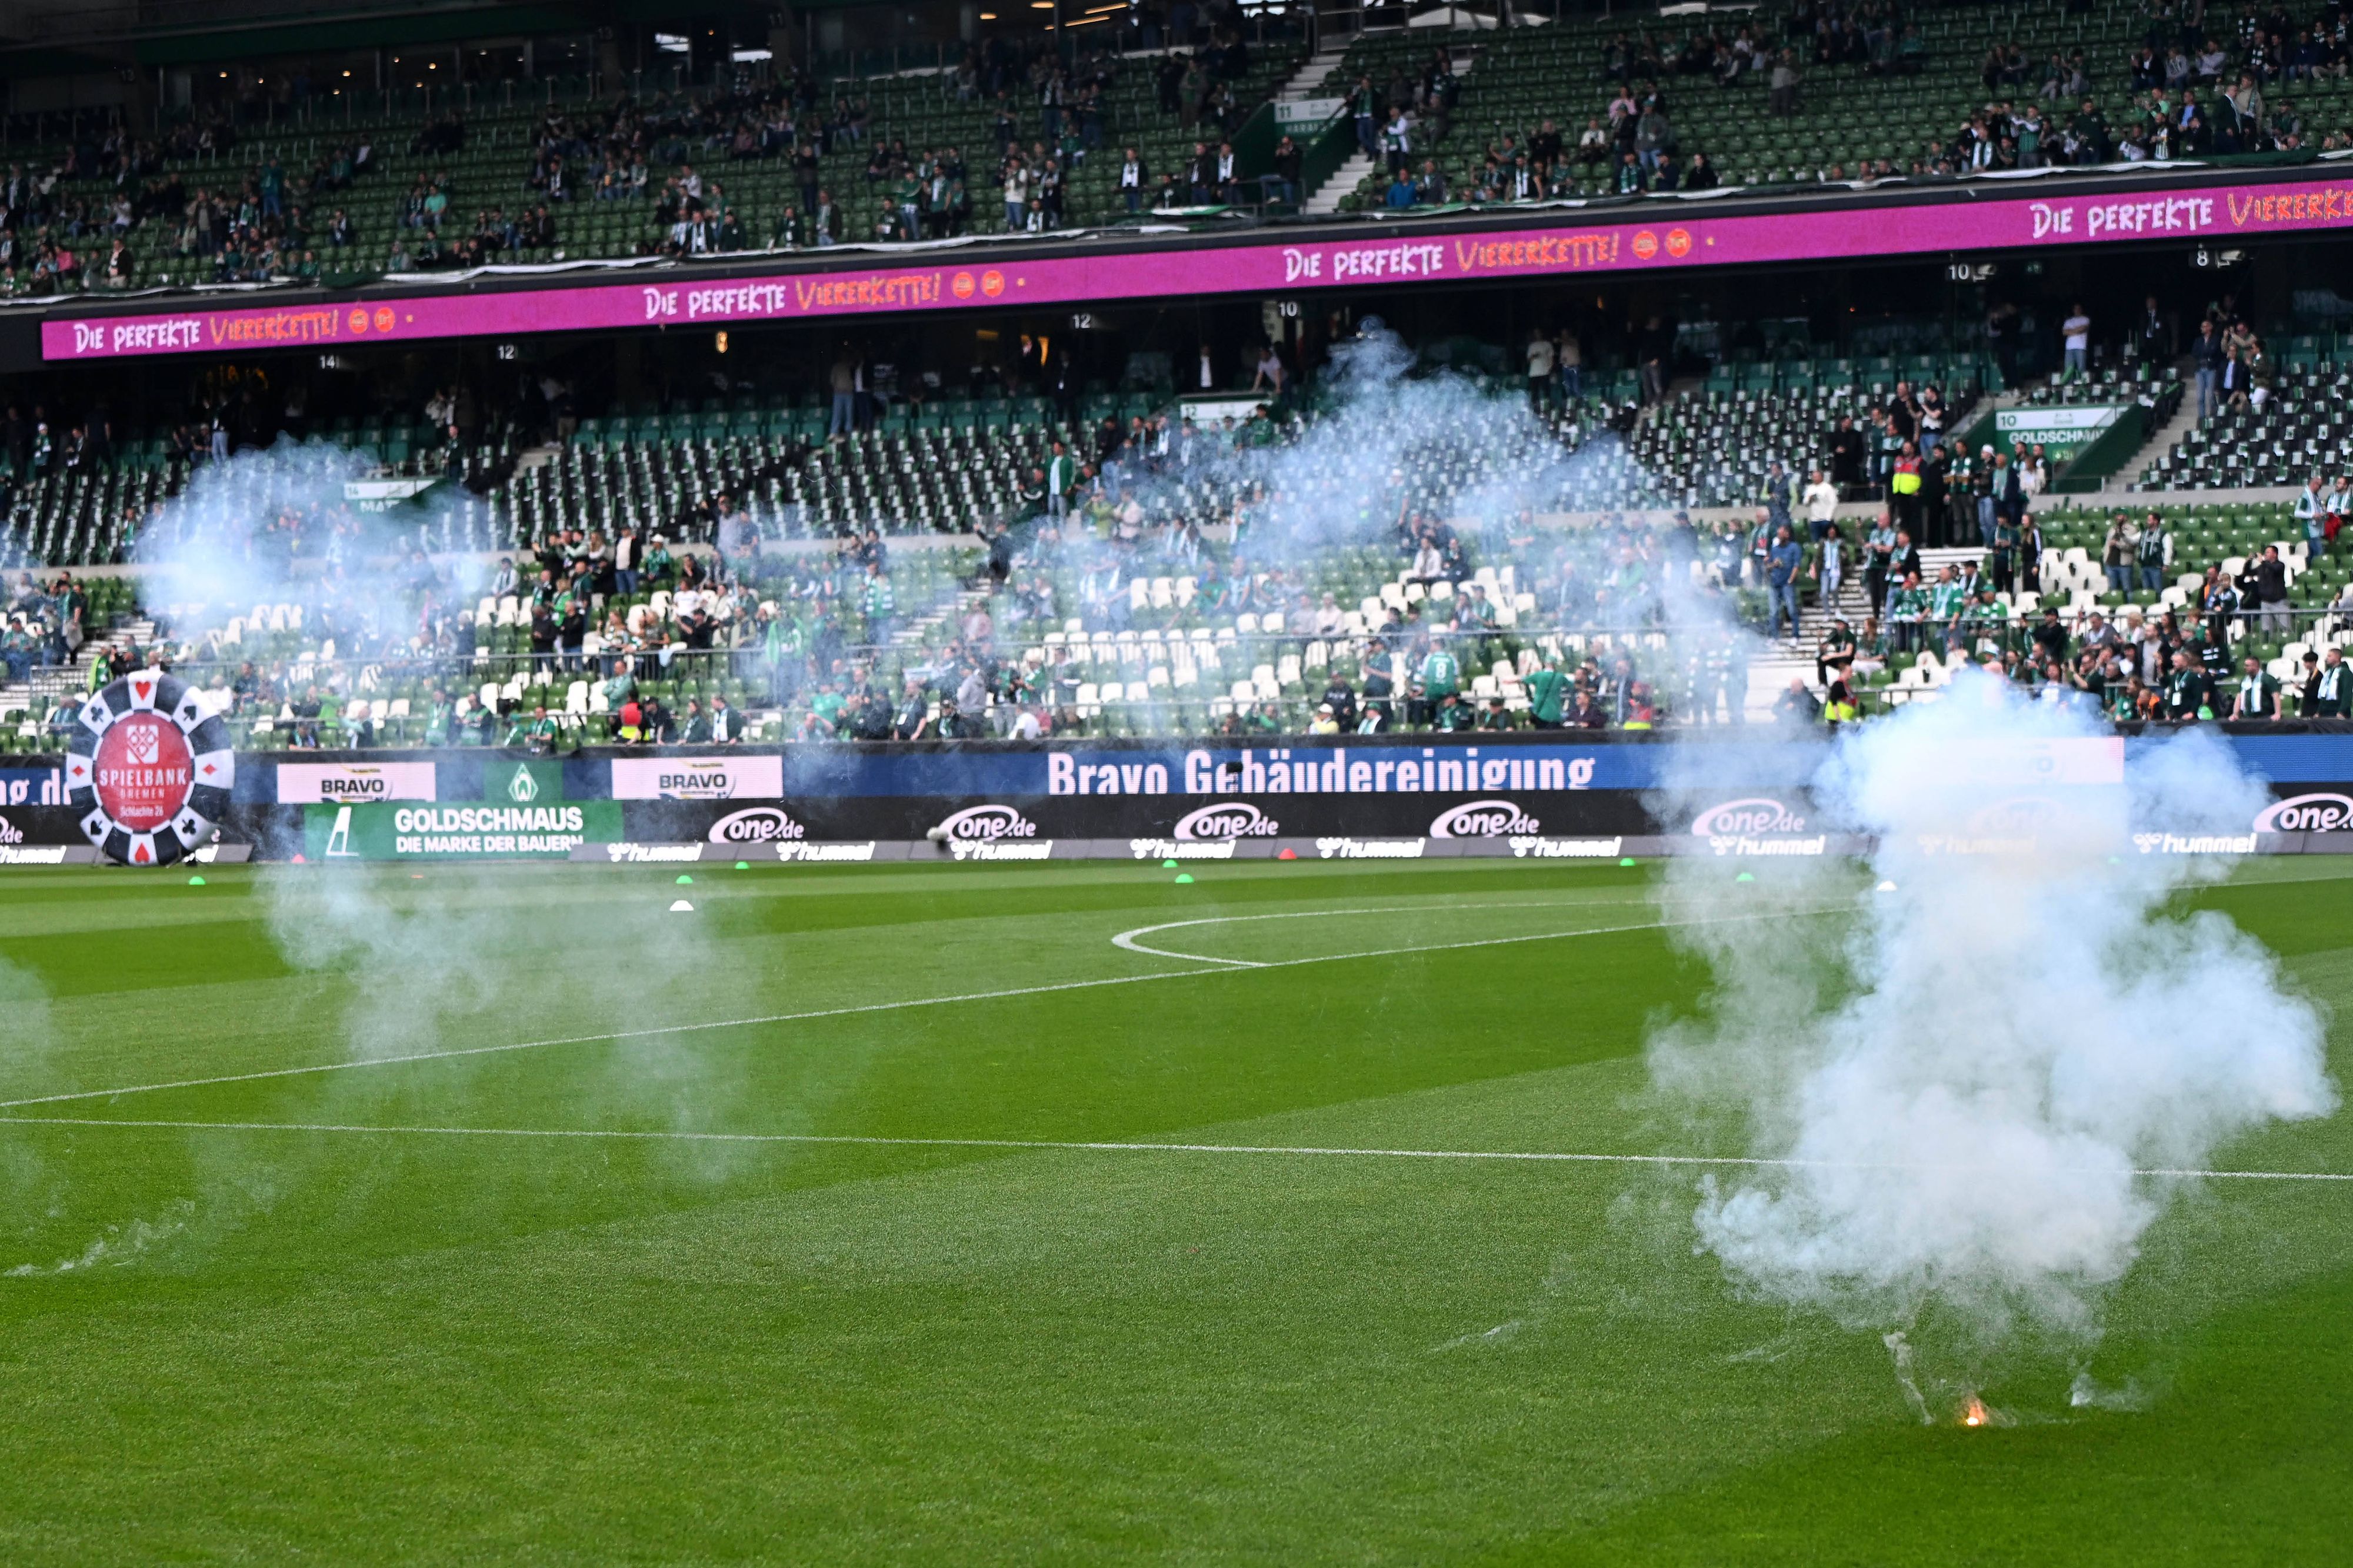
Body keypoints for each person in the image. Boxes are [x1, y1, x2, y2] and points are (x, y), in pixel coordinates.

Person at [2061, 302, 2092, 375]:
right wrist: (2077, 331)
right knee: (2069, 370)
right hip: (2069, 348)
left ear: (2081, 310)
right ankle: (2069, 386)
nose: (2077, 310)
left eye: (2079, 309)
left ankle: (2081, 385)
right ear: (2073, 310)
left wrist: (2071, 331)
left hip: (2080, 347)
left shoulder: (2085, 319)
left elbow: (2084, 328)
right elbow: (2064, 332)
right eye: (2076, 309)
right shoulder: (2069, 321)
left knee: (2081, 369)